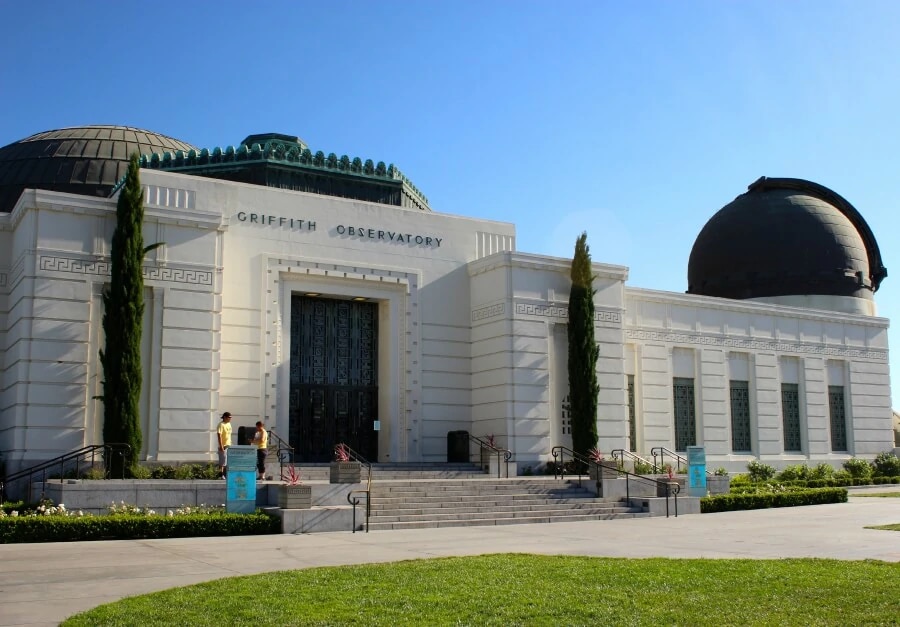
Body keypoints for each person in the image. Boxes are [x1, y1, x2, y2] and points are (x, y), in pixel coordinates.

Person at [217, 412, 232, 478]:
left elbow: (229, 434)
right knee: (222, 461)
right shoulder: (221, 424)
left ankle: (225, 474)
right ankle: (221, 475)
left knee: (227, 461)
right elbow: (219, 435)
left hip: (228, 444)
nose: (230, 419)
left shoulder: (229, 424)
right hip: (223, 445)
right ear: (225, 417)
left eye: (231, 417)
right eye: (229, 417)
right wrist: (221, 445)